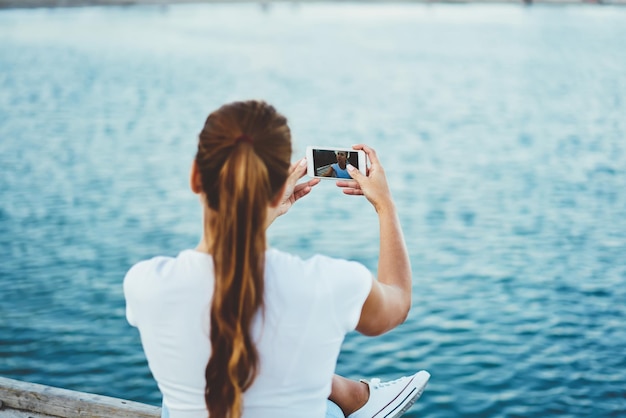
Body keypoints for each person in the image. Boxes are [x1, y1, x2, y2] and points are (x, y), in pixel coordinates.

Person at [124, 100, 429, 418]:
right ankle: (359, 399)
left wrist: (257, 216)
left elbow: (226, 286)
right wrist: (385, 204)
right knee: (325, 406)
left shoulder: (146, 283)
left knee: (174, 404)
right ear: (273, 190)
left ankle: (354, 396)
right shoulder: (327, 283)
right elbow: (399, 299)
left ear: (195, 176)